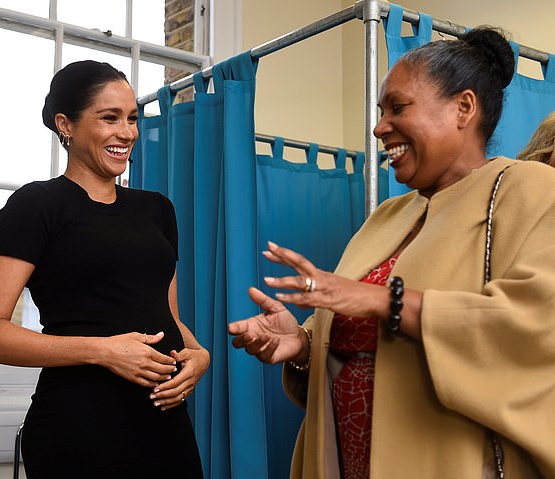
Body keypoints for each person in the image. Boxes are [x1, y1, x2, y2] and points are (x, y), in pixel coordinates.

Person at [228, 28, 555, 479]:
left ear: (463, 108)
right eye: (381, 111)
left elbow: (538, 325)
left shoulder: (530, 189)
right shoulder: (387, 216)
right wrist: (302, 343)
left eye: (398, 108)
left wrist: (387, 301)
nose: (380, 126)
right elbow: (358, 342)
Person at [0, 60, 208, 478]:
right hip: (80, 425)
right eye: (109, 118)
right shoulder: (36, 205)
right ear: (66, 124)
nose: (127, 132)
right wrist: (104, 351)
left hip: (165, 422)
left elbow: (165, 314)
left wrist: (199, 354)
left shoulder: (157, 210)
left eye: (132, 118)